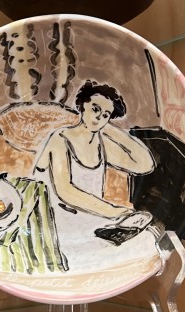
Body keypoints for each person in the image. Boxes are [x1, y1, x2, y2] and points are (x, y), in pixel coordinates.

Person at [34, 79, 155, 219]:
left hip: (92, 217)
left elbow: (145, 165)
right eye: (95, 109)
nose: (99, 117)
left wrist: (110, 128)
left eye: (105, 115)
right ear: (82, 106)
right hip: (55, 218)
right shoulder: (60, 138)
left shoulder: (102, 145)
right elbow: (65, 191)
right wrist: (114, 211)